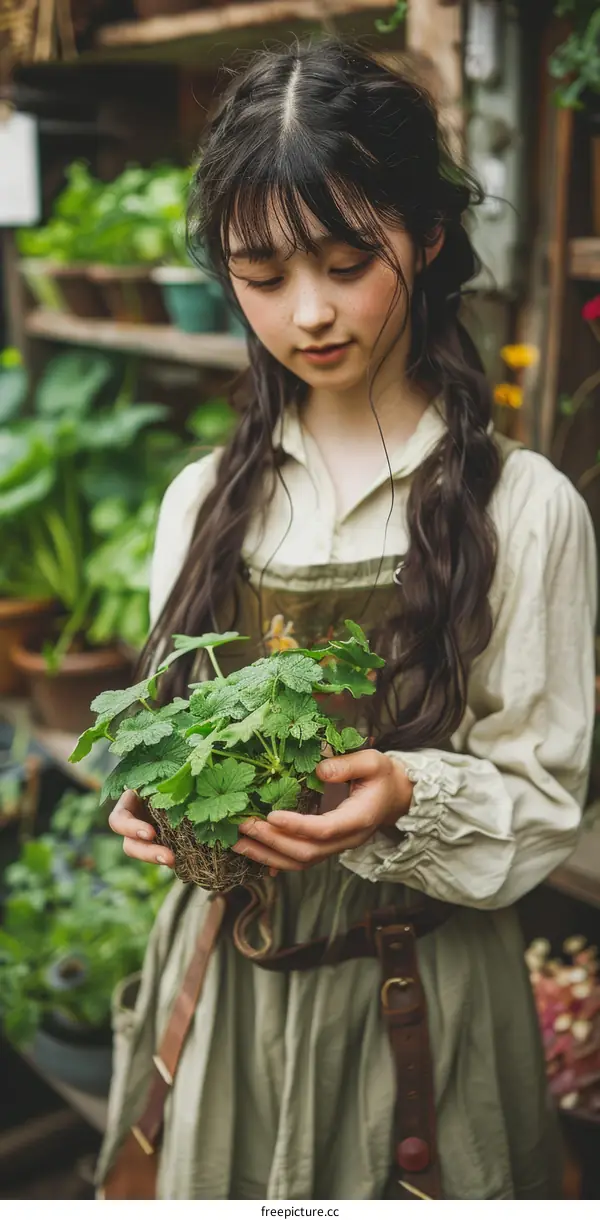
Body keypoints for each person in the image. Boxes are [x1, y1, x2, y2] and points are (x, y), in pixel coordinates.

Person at [97, 40, 596, 1201]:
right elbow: (173, 736)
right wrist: (154, 802)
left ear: (423, 236)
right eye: (262, 275)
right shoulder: (201, 500)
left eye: (343, 259)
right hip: (222, 990)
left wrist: (410, 794)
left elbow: (546, 801)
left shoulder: (522, 508)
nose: (308, 312)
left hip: (415, 998)